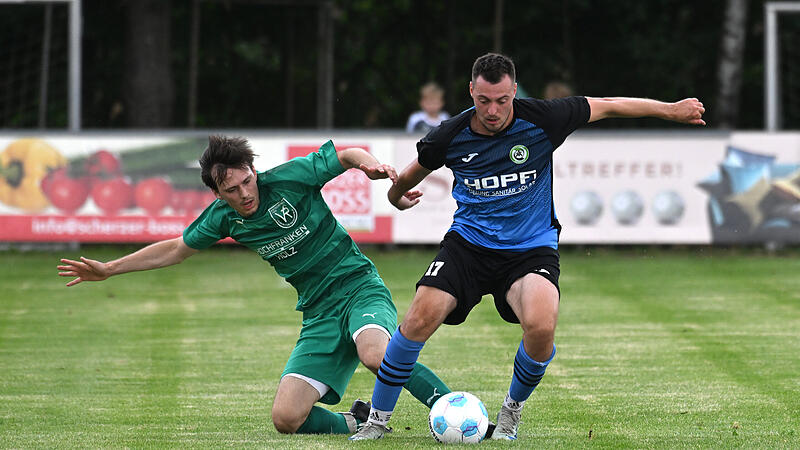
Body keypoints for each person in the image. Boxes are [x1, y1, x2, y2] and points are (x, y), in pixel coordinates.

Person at [350, 53, 706, 441]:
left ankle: (509, 415)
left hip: (529, 249)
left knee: (541, 326)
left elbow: (608, 106)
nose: (492, 110)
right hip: (468, 246)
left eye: (502, 100)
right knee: (418, 319)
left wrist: (669, 110)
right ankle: (377, 422)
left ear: (514, 91)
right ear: (471, 91)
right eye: (484, 100)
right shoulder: (448, 136)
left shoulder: (543, 118)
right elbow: (406, 178)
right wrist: (396, 199)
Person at [57, 135, 454, 436]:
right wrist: (109, 269)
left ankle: (452, 409)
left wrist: (370, 166)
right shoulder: (222, 218)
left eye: (247, 181)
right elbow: (176, 250)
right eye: (232, 190)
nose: (245, 193)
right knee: (287, 419)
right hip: (316, 312)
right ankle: (355, 421)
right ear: (216, 193)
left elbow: (347, 155)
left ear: (253, 170)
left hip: (358, 287)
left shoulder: (289, 179)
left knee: (375, 354)